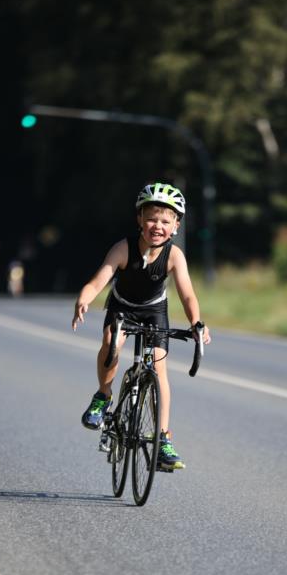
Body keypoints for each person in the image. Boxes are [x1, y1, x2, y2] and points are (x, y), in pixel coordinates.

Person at [72, 181, 211, 470]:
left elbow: (187, 293)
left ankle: (163, 439)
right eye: (151, 219)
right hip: (122, 307)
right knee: (112, 343)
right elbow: (99, 280)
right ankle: (103, 396)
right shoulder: (123, 248)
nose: (157, 226)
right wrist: (83, 300)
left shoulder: (174, 255)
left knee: (159, 369)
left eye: (165, 220)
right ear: (139, 220)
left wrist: (197, 323)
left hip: (153, 311)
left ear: (175, 226)